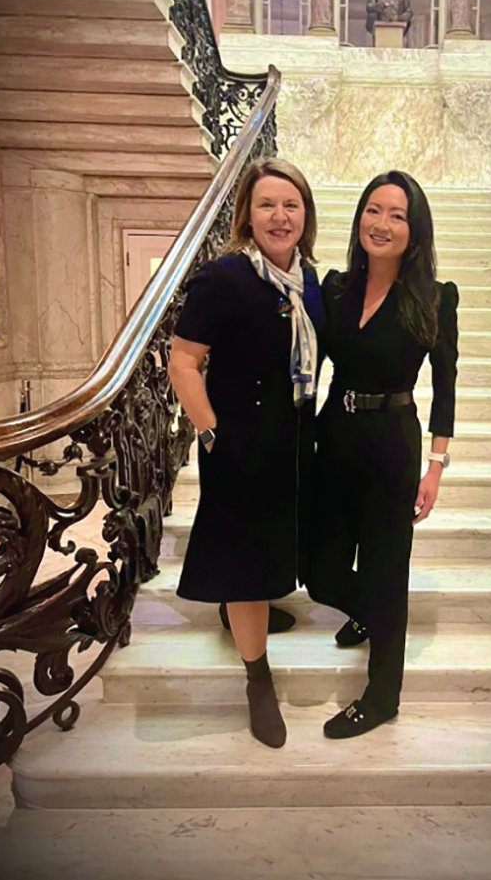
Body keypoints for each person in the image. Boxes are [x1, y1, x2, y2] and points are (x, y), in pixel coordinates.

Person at [167, 158, 324, 749]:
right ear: (246, 214)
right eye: (267, 204)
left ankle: (242, 610)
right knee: (248, 550)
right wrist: (211, 433)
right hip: (237, 441)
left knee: (268, 543)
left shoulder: (312, 284)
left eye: (291, 205)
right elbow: (183, 363)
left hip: (292, 438)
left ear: (305, 215)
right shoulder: (224, 279)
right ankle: (258, 678)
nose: (280, 216)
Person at [306, 170, 458, 739]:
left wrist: (436, 467)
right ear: (359, 219)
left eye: (398, 215)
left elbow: (445, 388)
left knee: (386, 571)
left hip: (394, 441)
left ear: (414, 232)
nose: (383, 223)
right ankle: (369, 610)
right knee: (320, 573)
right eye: (375, 210)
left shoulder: (436, 299)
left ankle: (382, 695)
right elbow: (308, 364)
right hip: (334, 435)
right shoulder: (334, 288)